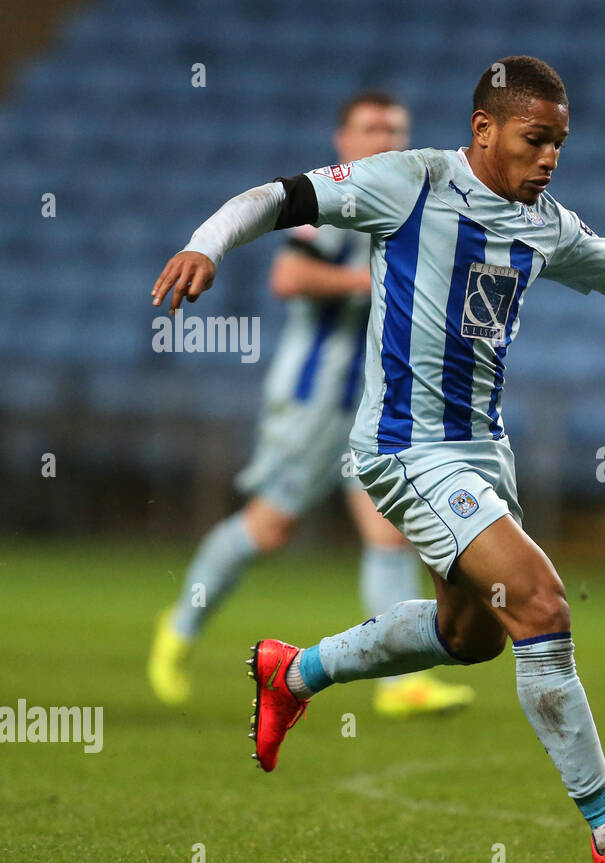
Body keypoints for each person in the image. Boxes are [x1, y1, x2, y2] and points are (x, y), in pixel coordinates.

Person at [151, 55, 605, 863]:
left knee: (469, 636)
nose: (549, 158)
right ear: (484, 130)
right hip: (405, 449)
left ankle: (293, 672)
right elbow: (276, 197)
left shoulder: (545, 223)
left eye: (559, 143)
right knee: (540, 600)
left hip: (483, 453)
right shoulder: (408, 182)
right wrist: (206, 244)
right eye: (534, 139)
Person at [148, 91, 473, 719]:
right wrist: (373, 282)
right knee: (270, 528)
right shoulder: (333, 207)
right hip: (313, 402)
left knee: (388, 533)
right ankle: (182, 625)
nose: (384, 138)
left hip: (373, 407)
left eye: (395, 129)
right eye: (371, 127)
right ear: (342, 140)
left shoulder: (405, 207)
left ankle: (398, 684)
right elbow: (287, 278)